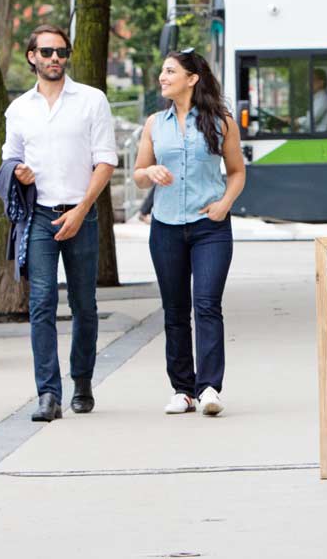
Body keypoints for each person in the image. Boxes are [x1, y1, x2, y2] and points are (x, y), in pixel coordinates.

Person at [0, 24, 118, 422]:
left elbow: (106, 161)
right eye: (46, 52)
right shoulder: (19, 109)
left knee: (84, 304)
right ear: (31, 56)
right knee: (42, 304)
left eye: (61, 53)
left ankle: (82, 381)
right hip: (40, 218)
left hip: (80, 214)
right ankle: (48, 393)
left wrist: (82, 210)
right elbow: (9, 158)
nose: (54, 59)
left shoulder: (91, 100)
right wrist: (18, 172)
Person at [135, 48, 246, 416]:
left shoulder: (221, 120)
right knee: (175, 310)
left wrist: (224, 204)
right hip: (166, 228)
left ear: (192, 78)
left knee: (207, 305)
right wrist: (149, 173)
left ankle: (210, 387)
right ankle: (183, 389)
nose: (163, 78)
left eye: (170, 71)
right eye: (162, 72)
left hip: (209, 227)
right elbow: (138, 173)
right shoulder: (155, 124)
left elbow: (236, 171)